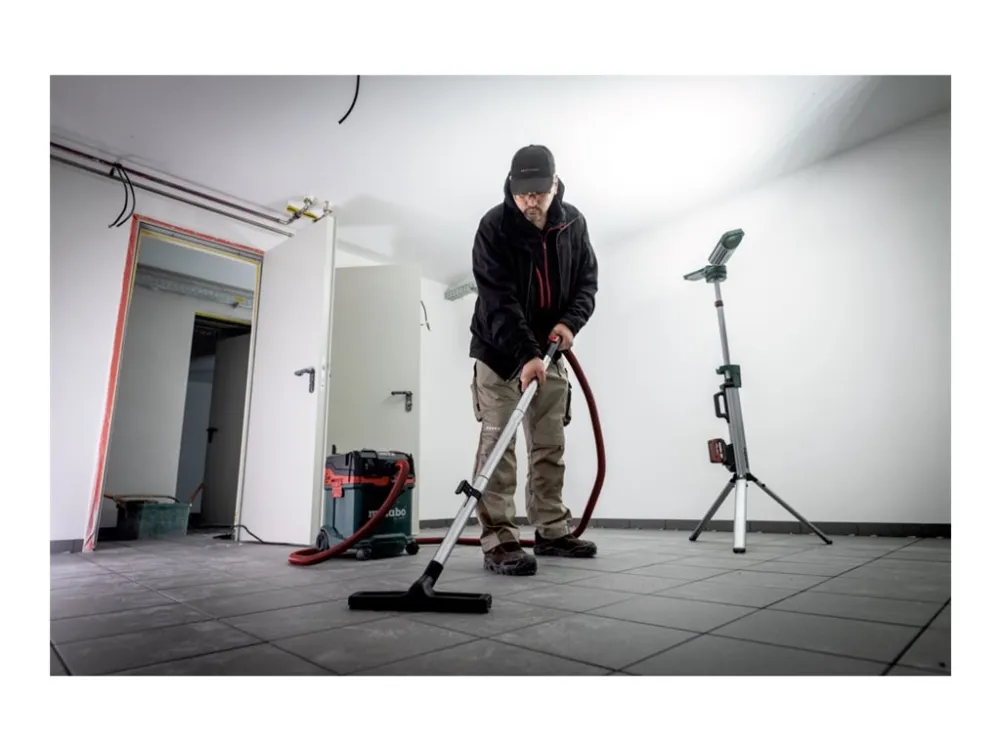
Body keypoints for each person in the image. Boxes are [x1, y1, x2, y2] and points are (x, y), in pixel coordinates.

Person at [468, 144, 599, 576]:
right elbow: (498, 300)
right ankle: (500, 540)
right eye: (522, 192)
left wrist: (569, 323)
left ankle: (551, 530)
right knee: (499, 446)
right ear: (511, 186)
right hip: (499, 352)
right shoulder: (494, 227)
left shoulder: (573, 223)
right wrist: (526, 354)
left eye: (539, 192)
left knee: (549, 444)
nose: (530, 200)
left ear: (554, 185)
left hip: (550, 351)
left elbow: (587, 283)